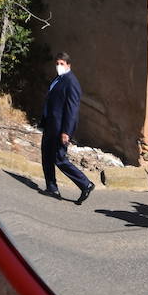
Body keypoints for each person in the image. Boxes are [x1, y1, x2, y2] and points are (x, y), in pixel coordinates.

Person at [39, 52, 94, 205]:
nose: (58, 66)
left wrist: (66, 132)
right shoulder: (58, 79)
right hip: (50, 125)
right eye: (57, 63)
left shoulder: (71, 82)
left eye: (62, 64)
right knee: (46, 155)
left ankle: (85, 184)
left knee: (59, 158)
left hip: (60, 128)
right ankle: (52, 187)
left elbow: (72, 110)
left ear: (68, 65)